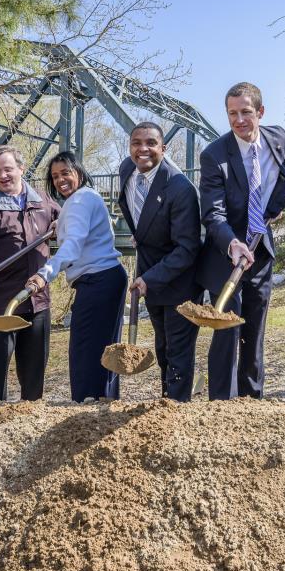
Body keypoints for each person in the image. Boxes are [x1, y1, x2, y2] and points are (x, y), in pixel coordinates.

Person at [197, 82, 285, 400]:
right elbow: (212, 213)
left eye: (246, 112)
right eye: (232, 114)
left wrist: (273, 209)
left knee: (254, 330)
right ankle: (221, 403)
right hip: (227, 255)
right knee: (227, 327)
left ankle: (252, 402)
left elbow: (283, 178)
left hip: (261, 253)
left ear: (260, 112)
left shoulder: (278, 139)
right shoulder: (213, 155)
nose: (239, 120)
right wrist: (233, 244)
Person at [0, 145, 61, 402]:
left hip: (37, 299)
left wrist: (65, 222)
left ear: (21, 169)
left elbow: (68, 222)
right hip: (0, 302)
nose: (2, 176)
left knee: (34, 368)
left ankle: (31, 412)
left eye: (7, 170)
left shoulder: (42, 200)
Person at [26, 151, 127, 402]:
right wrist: (59, 226)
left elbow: (73, 245)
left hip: (98, 281)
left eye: (66, 173)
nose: (60, 180)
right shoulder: (85, 198)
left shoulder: (80, 200)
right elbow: (80, 231)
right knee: (103, 348)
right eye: (55, 176)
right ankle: (103, 403)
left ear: (79, 173)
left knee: (86, 350)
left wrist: (44, 274)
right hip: (107, 279)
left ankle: (87, 403)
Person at [118, 122, 203, 402]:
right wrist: (138, 233)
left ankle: (177, 408)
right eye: (136, 143)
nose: (143, 149)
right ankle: (168, 400)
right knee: (163, 346)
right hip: (150, 274)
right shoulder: (126, 171)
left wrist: (148, 279)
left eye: (151, 143)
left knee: (178, 350)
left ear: (163, 149)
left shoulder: (180, 188)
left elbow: (188, 248)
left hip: (179, 280)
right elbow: (133, 210)